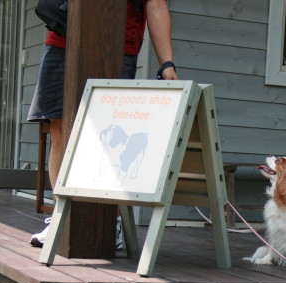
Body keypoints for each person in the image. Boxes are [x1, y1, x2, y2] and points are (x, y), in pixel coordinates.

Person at [28, 0, 178, 247]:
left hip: (117, 42)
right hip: (64, 37)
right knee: (59, 129)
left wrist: (167, 63)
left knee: (111, 139)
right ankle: (61, 218)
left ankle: (111, 222)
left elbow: (156, 4)